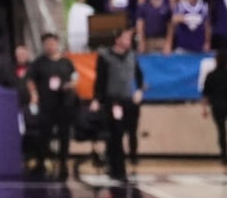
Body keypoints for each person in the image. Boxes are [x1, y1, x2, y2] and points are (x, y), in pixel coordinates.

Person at [91, 28, 146, 183]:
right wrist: (96, 99)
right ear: (117, 40)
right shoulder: (105, 56)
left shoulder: (132, 56)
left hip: (128, 100)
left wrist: (140, 90)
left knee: (128, 132)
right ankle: (116, 167)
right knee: (115, 133)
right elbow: (100, 79)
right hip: (112, 101)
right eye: (126, 38)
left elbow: (139, 76)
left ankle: (129, 160)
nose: (129, 41)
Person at [27, 33, 79, 181]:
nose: (50, 46)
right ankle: (41, 162)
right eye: (47, 43)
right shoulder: (39, 63)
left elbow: (75, 78)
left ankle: (63, 164)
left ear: (57, 43)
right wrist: (34, 94)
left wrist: (69, 85)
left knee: (64, 135)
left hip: (64, 104)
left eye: (52, 43)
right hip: (46, 104)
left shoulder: (66, 62)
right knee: (44, 135)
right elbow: (30, 80)